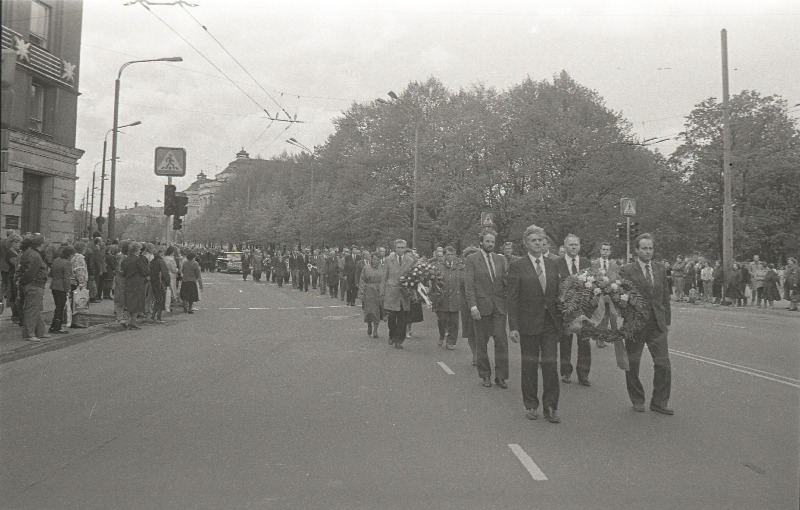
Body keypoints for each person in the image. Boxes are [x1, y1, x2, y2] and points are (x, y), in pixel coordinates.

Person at [508, 225, 563, 423]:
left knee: (550, 364)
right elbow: (512, 298)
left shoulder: (553, 265)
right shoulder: (517, 266)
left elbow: (558, 295)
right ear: (526, 244)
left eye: (541, 241)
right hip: (528, 323)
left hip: (550, 323)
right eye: (533, 241)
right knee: (529, 365)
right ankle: (531, 405)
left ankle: (550, 406)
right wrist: (513, 326)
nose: (538, 244)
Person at [619, 234, 673, 415]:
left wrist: (667, 322)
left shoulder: (659, 269)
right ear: (636, 250)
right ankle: (637, 399)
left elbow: (665, 297)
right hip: (636, 323)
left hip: (657, 324)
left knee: (663, 363)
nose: (648, 252)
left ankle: (659, 401)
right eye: (644, 248)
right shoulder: (627, 270)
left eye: (650, 248)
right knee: (633, 364)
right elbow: (620, 297)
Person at [465, 230, 509, 388]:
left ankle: (501, 375)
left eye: (493, 242)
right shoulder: (472, 259)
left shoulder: (500, 259)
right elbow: (469, 285)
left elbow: (505, 281)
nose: (490, 244)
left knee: (501, 340)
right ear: (481, 242)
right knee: (481, 341)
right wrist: (473, 306)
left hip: (499, 305)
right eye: (488, 241)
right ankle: (485, 374)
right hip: (481, 306)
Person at [558, 234, 591, 386]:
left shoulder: (586, 262)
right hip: (565, 308)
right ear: (565, 247)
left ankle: (583, 374)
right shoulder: (557, 263)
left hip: (583, 308)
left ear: (580, 246)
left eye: (576, 245)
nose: (573, 247)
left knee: (584, 341)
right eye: (570, 244)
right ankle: (566, 371)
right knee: (566, 340)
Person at [381, 239, 417, 349]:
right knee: (392, 317)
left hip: (404, 293)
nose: (400, 250)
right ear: (395, 248)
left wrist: (413, 292)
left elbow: (413, 277)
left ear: (405, 248)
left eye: (402, 248)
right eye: (398, 247)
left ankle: (399, 340)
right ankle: (392, 334)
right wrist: (382, 292)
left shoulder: (410, 261)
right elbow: (384, 277)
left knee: (402, 318)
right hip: (392, 291)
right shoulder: (388, 260)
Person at [18, 234, 50, 342]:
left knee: (36, 309)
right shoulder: (35, 256)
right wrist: (28, 283)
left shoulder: (30, 253)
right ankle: (29, 334)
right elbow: (31, 272)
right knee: (32, 310)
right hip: (35, 285)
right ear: (41, 244)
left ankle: (40, 331)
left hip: (33, 284)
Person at [434, 246, 462, 350]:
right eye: (448, 255)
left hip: (455, 297)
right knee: (442, 319)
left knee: (454, 322)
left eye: (452, 254)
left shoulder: (459, 266)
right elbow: (434, 280)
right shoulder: (439, 266)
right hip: (442, 298)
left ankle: (451, 341)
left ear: (455, 255)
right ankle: (442, 335)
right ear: (445, 255)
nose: (450, 257)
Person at [121, 242, 149, 330]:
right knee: (137, 301)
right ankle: (133, 321)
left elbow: (122, 270)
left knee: (128, 300)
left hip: (128, 281)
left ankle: (127, 320)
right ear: (137, 250)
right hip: (138, 282)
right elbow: (145, 271)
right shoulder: (138, 260)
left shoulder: (125, 259)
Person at [459, 246, 479, 365]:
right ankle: (475, 354)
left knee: (482, 330)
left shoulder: (482, 269)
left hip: (481, 302)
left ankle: (481, 351)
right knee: (470, 331)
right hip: (466, 303)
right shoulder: (461, 270)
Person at [49, 245, 73, 334]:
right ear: (69, 255)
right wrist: (68, 289)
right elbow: (66, 278)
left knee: (57, 306)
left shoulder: (56, 260)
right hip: (61, 287)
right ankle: (57, 327)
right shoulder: (67, 263)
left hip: (54, 286)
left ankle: (53, 325)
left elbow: (50, 273)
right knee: (60, 307)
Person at [359, 252, 384, 338]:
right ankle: (369, 325)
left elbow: (385, 280)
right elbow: (362, 280)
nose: (375, 261)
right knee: (369, 311)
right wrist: (361, 292)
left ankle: (375, 330)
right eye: (373, 259)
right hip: (369, 291)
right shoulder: (366, 268)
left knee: (377, 311)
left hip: (378, 291)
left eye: (377, 259)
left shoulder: (382, 268)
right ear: (371, 259)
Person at [70, 241, 89, 328]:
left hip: (73, 281)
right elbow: (80, 270)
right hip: (77, 283)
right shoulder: (79, 258)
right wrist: (82, 282)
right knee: (78, 301)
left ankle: (72, 320)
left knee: (74, 301)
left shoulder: (74, 257)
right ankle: (75, 321)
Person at [149, 246, 171, 323]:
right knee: (161, 299)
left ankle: (153, 316)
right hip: (160, 282)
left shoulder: (152, 261)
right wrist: (168, 283)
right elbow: (165, 273)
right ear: (161, 253)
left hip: (153, 282)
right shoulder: (161, 261)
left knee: (156, 299)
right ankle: (158, 317)